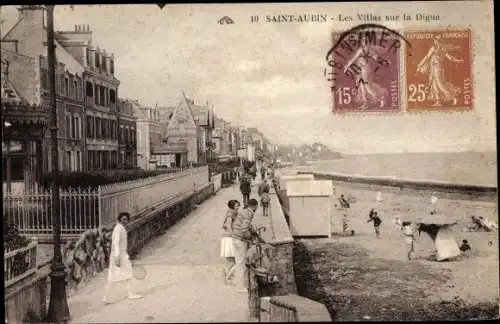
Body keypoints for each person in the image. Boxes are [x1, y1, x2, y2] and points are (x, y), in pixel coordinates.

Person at [103, 212, 142, 304]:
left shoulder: (120, 228)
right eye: (123, 219)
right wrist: (117, 257)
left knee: (126, 274)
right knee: (116, 276)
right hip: (118, 255)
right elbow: (115, 243)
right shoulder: (118, 229)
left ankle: (129, 294)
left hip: (121, 254)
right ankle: (108, 297)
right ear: (119, 219)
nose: (125, 221)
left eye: (126, 219)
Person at [226, 199, 263, 293]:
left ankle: (235, 280)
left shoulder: (244, 211)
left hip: (235, 238)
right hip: (240, 239)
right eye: (256, 207)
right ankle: (240, 287)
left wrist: (254, 233)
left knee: (238, 261)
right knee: (241, 264)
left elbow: (248, 226)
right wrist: (251, 239)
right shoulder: (249, 214)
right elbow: (244, 229)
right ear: (254, 206)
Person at [221, 199, 240, 283]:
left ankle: (228, 277)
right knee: (232, 258)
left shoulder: (232, 212)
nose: (238, 207)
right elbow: (228, 225)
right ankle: (229, 278)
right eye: (237, 206)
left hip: (228, 237)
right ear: (233, 207)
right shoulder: (230, 214)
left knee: (231, 258)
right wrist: (233, 235)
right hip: (229, 238)